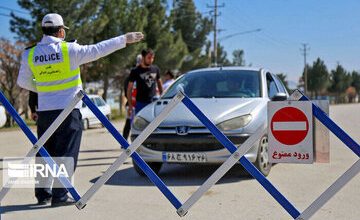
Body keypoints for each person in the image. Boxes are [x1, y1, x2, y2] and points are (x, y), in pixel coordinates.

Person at [17, 13, 143, 206]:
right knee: (66, 152)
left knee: (44, 152)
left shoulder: (30, 54)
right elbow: (98, 49)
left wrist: (45, 89)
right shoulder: (69, 50)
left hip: (45, 111)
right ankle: (59, 196)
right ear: (60, 31)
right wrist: (123, 39)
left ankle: (42, 194)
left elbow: (23, 82)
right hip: (68, 111)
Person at [127, 49, 163, 115]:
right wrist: (130, 106)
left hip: (154, 102)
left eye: (152, 58)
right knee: (140, 124)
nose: (151, 60)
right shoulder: (135, 71)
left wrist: (163, 98)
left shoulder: (156, 69)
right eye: (149, 58)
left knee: (155, 124)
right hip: (140, 103)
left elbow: (160, 84)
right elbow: (129, 89)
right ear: (143, 57)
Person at [122, 54, 141, 140]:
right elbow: (127, 90)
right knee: (129, 123)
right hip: (131, 104)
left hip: (141, 103)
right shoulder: (131, 75)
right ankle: (124, 141)